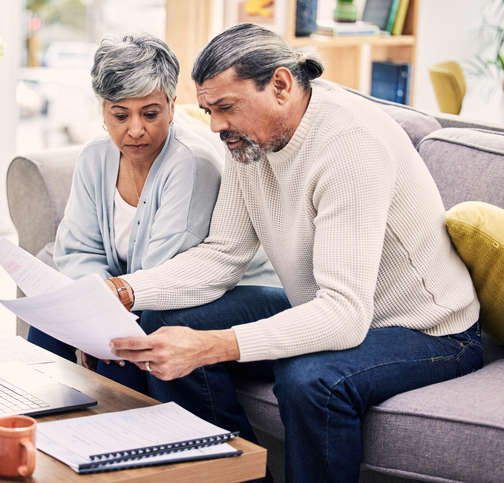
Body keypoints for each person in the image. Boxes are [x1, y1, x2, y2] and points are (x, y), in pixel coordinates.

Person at [106, 23, 483, 482]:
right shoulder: (249, 140)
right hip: (324, 305)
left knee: (310, 380)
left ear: (281, 85)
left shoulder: (349, 145)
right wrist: (124, 290)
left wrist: (213, 346)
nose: (216, 126)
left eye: (225, 107)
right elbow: (223, 253)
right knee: (165, 320)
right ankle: (234, 477)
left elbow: (345, 314)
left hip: (429, 330)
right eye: (208, 110)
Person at [27, 32, 277, 393]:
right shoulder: (95, 156)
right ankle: (31, 424)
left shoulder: (191, 163)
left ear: (172, 107)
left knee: (131, 341)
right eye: (120, 114)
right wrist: (91, 306)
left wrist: (101, 314)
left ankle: (114, 440)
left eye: (150, 113)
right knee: (50, 321)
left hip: (216, 297)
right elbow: (78, 250)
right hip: (134, 296)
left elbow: (162, 273)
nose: (135, 130)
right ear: (103, 110)